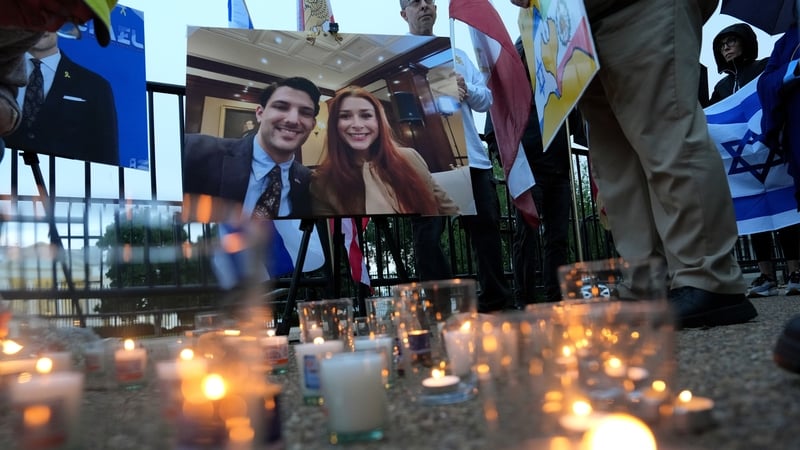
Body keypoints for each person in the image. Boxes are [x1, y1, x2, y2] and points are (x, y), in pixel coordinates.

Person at [509, 0, 757, 328]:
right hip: (571, 23)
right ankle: (648, 279)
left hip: (637, 6)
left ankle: (707, 276)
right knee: (616, 161)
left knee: (666, 133)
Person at [400, 0, 512, 312]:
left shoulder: (457, 55)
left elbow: (485, 100)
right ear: (403, 13)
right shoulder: (400, 59)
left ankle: (496, 302)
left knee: (486, 234)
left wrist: (465, 87)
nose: (424, 6)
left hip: (473, 160)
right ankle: (440, 307)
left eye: (429, 2)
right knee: (427, 237)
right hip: (429, 164)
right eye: (415, 3)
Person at [709, 23, 800, 298]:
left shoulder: (762, 69)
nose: (726, 47)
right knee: (754, 218)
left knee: (785, 211)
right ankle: (766, 276)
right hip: (743, 164)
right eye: (721, 43)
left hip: (771, 151)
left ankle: (796, 271)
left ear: (746, 43)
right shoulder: (722, 86)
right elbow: (711, 116)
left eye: (731, 40)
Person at [484, 36, 574, 305]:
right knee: (526, 238)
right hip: (528, 172)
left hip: (559, 169)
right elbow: (493, 131)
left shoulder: (555, 86)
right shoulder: (508, 91)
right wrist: (509, 163)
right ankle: (525, 298)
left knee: (558, 238)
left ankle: (556, 295)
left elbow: (575, 123)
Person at [183, 76, 321, 220]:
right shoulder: (192, 149)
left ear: (312, 124)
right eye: (281, 107)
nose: (292, 120)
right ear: (260, 114)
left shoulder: (309, 182)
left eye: (305, 112)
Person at [310, 85, 459, 216]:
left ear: (379, 122)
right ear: (335, 126)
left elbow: (451, 211)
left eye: (366, 115)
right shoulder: (322, 184)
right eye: (345, 116)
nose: (357, 124)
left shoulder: (411, 157)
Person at [5, 31, 119, 166]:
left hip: (66, 180)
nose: (43, 27)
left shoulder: (95, 86)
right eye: (37, 19)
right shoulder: (4, 72)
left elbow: (106, 153)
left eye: (50, 20)